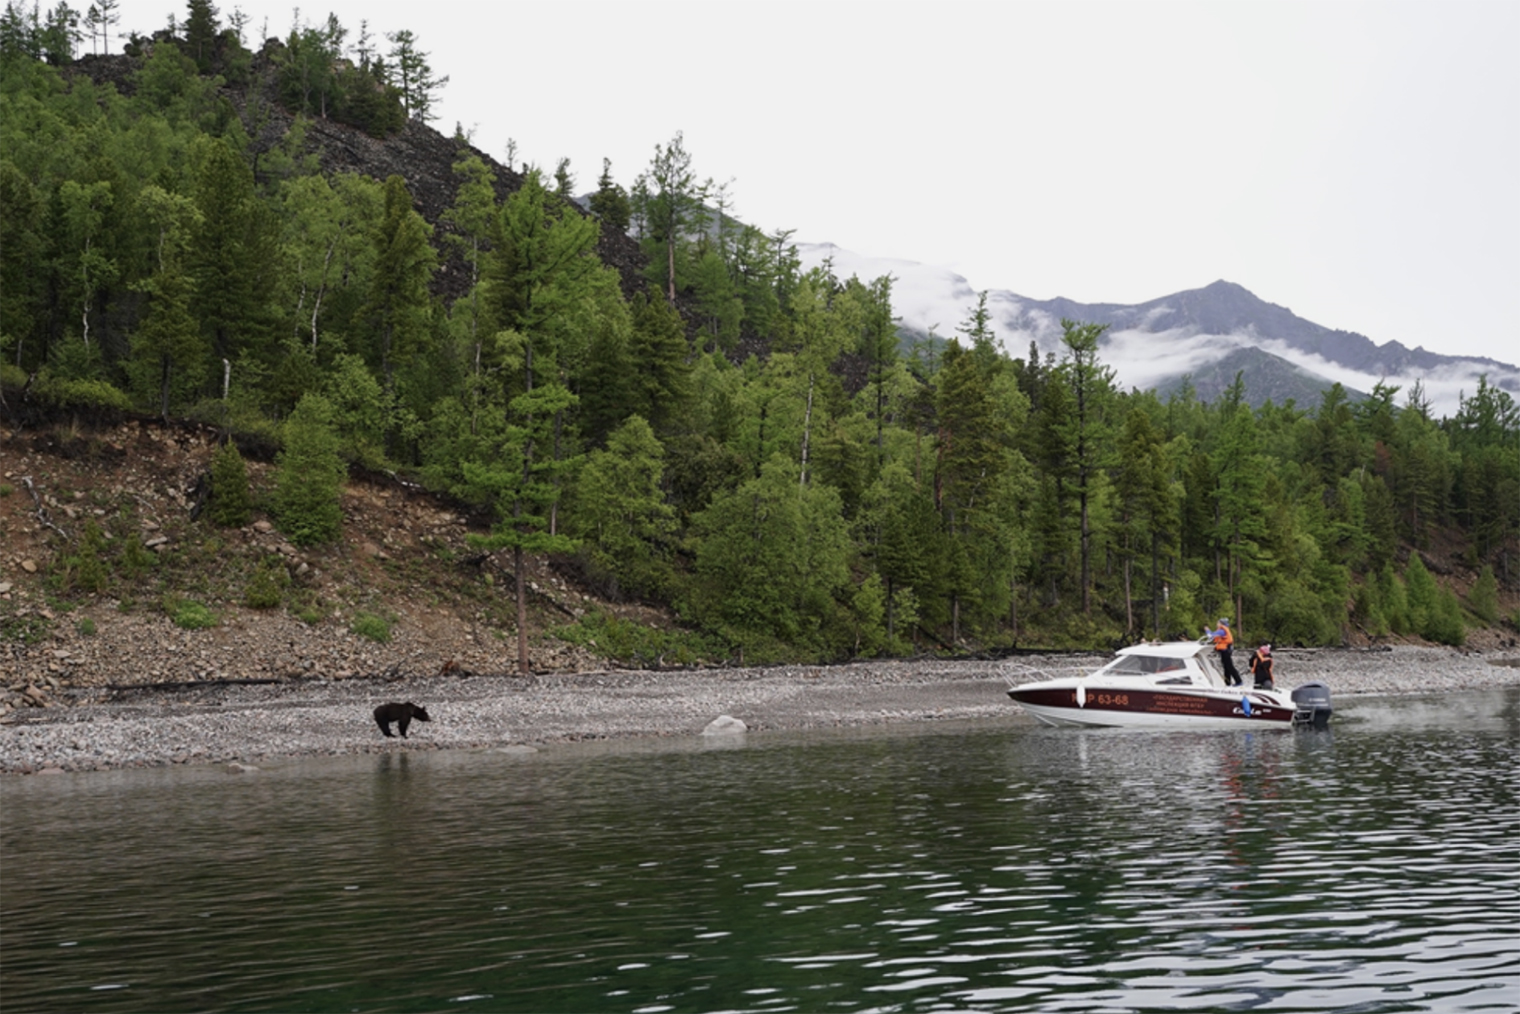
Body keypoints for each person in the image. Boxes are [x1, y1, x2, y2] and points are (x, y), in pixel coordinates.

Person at [1204, 618, 1242, 686]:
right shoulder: (1223, 630)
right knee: (1226, 667)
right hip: (1225, 651)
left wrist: (1207, 630)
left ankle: (1238, 681)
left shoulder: (1222, 631)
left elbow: (1210, 636)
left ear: (1221, 624)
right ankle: (1227, 683)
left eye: (1218, 623)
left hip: (1225, 651)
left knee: (1229, 666)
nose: (1217, 624)